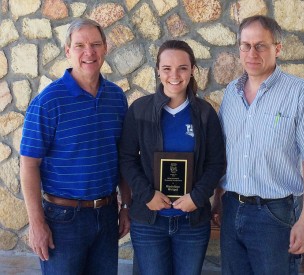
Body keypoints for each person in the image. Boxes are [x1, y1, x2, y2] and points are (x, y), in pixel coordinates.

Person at [212, 15, 304, 275]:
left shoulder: (300, 93)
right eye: (246, 45)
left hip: (274, 216)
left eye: (260, 45)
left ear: (277, 48)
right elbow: (225, 152)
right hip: (231, 210)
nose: (252, 53)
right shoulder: (231, 93)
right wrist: (218, 200)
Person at [20, 18, 131, 275]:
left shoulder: (116, 97)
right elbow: (28, 164)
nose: (88, 52)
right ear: (68, 51)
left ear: (105, 48)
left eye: (95, 44)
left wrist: (126, 205)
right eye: (80, 45)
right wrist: (36, 223)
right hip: (62, 220)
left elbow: (123, 157)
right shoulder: (48, 102)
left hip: (106, 215)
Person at [120, 40, 225, 275]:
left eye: (182, 68)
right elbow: (126, 158)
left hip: (192, 221)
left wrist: (197, 198)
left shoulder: (205, 113)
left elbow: (216, 163)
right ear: (158, 70)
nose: (174, 75)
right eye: (167, 68)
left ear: (192, 70)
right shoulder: (139, 110)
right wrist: (147, 195)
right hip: (149, 221)